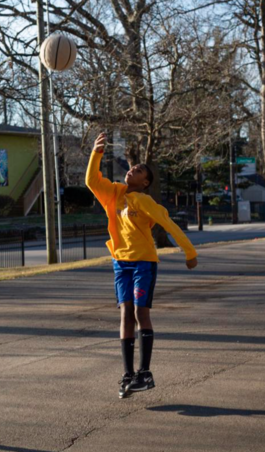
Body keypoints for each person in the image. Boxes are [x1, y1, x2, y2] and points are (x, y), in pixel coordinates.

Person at [85, 132, 198, 399]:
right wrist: (96, 153)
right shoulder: (113, 193)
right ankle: (128, 375)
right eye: (133, 167)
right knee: (125, 314)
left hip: (144, 263)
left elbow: (169, 224)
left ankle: (144, 373)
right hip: (120, 264)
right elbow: (91, 180)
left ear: (145, 182)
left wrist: (189, 252)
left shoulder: (145, 201)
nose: (133, 169)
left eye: (139, 171)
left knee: (140, 313)